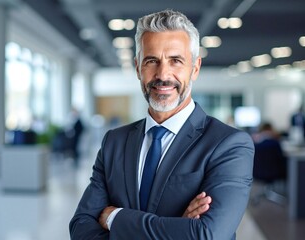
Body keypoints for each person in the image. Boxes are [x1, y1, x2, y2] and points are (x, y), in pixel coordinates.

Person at [69, 9, 254, 239]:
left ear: (195, 68)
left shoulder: (228, 145)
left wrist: (115, 217)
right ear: (138, 67)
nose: (163, 74)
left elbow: (207, 234)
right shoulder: (114, 142)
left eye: (176, 61)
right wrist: (177, 229)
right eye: (151, 61)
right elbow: (80, 228)